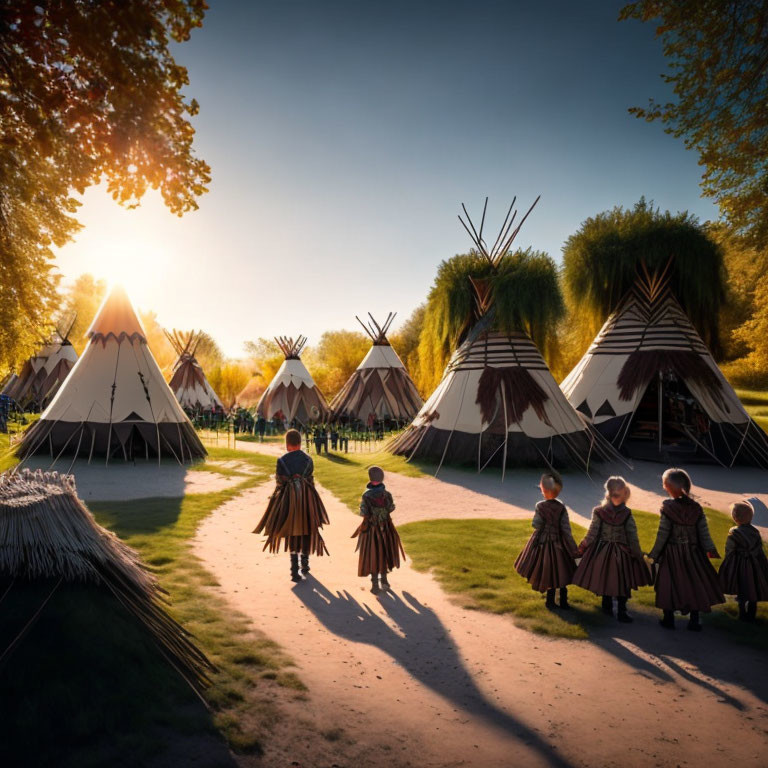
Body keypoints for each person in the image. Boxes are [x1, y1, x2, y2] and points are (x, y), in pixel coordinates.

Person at [647, 468, 724, 631]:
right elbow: (703, 532)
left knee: (669, 583)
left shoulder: (668, 507)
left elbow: (663, 534)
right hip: (694, 553)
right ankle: (694, 621)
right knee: (694, 583)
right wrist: (710, 548)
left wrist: (654, 554)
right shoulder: (696, 508)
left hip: (672, 553)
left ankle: (669, 619)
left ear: (668, 486)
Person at [572, 476, 652, 623]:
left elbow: (592, 534)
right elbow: (631, 537)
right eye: (616, 495)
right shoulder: (623, 513)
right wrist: (636, 554)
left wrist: (582, 548)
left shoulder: (603, 512)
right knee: (618, 580)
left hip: (605, 552)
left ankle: (612, 608)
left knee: (611, 578)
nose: (617, 498)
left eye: (618, 495)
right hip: (618, 553)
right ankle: (616, 609)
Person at [253, 428, 329, 582]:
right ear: (300, 444)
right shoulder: (308, 460)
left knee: (291, 530)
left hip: (289, 500)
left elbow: (280, 482)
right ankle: (305, 565)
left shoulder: (281, 461)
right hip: (306, 498)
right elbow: (310, 480)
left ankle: (294, 571)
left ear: (287, 445)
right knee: (307, 528)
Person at [514, 471, 579, 609]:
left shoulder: (540, 506)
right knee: (562, 569)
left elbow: (536, 524)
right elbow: (566, 530)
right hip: (559, 543)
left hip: (542, 542)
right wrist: (573, 548)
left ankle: (550, 601)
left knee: (547, 570)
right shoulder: (561, 508)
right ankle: (563, 601)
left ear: (544, 490)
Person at [352, 466, 405, 594]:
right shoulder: (387, 494)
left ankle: (375, 585)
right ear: (382, 479)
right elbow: (391, 508)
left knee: (373, 554)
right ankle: (385, 581)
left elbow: (364, 512)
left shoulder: (366, 495)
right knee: (385, 551)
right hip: (386, 527)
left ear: (370, 479)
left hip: (371, 529)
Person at [718, 500, 768, 622]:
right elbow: (759, 549)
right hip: (754, 565)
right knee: (752, 589)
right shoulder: (755, 532)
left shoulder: (734, 532)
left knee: (742, 589)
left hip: (739, 565)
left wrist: (728, 564)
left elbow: (729, 550)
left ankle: (742, 614)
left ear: (735, 518)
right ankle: (751, 614)